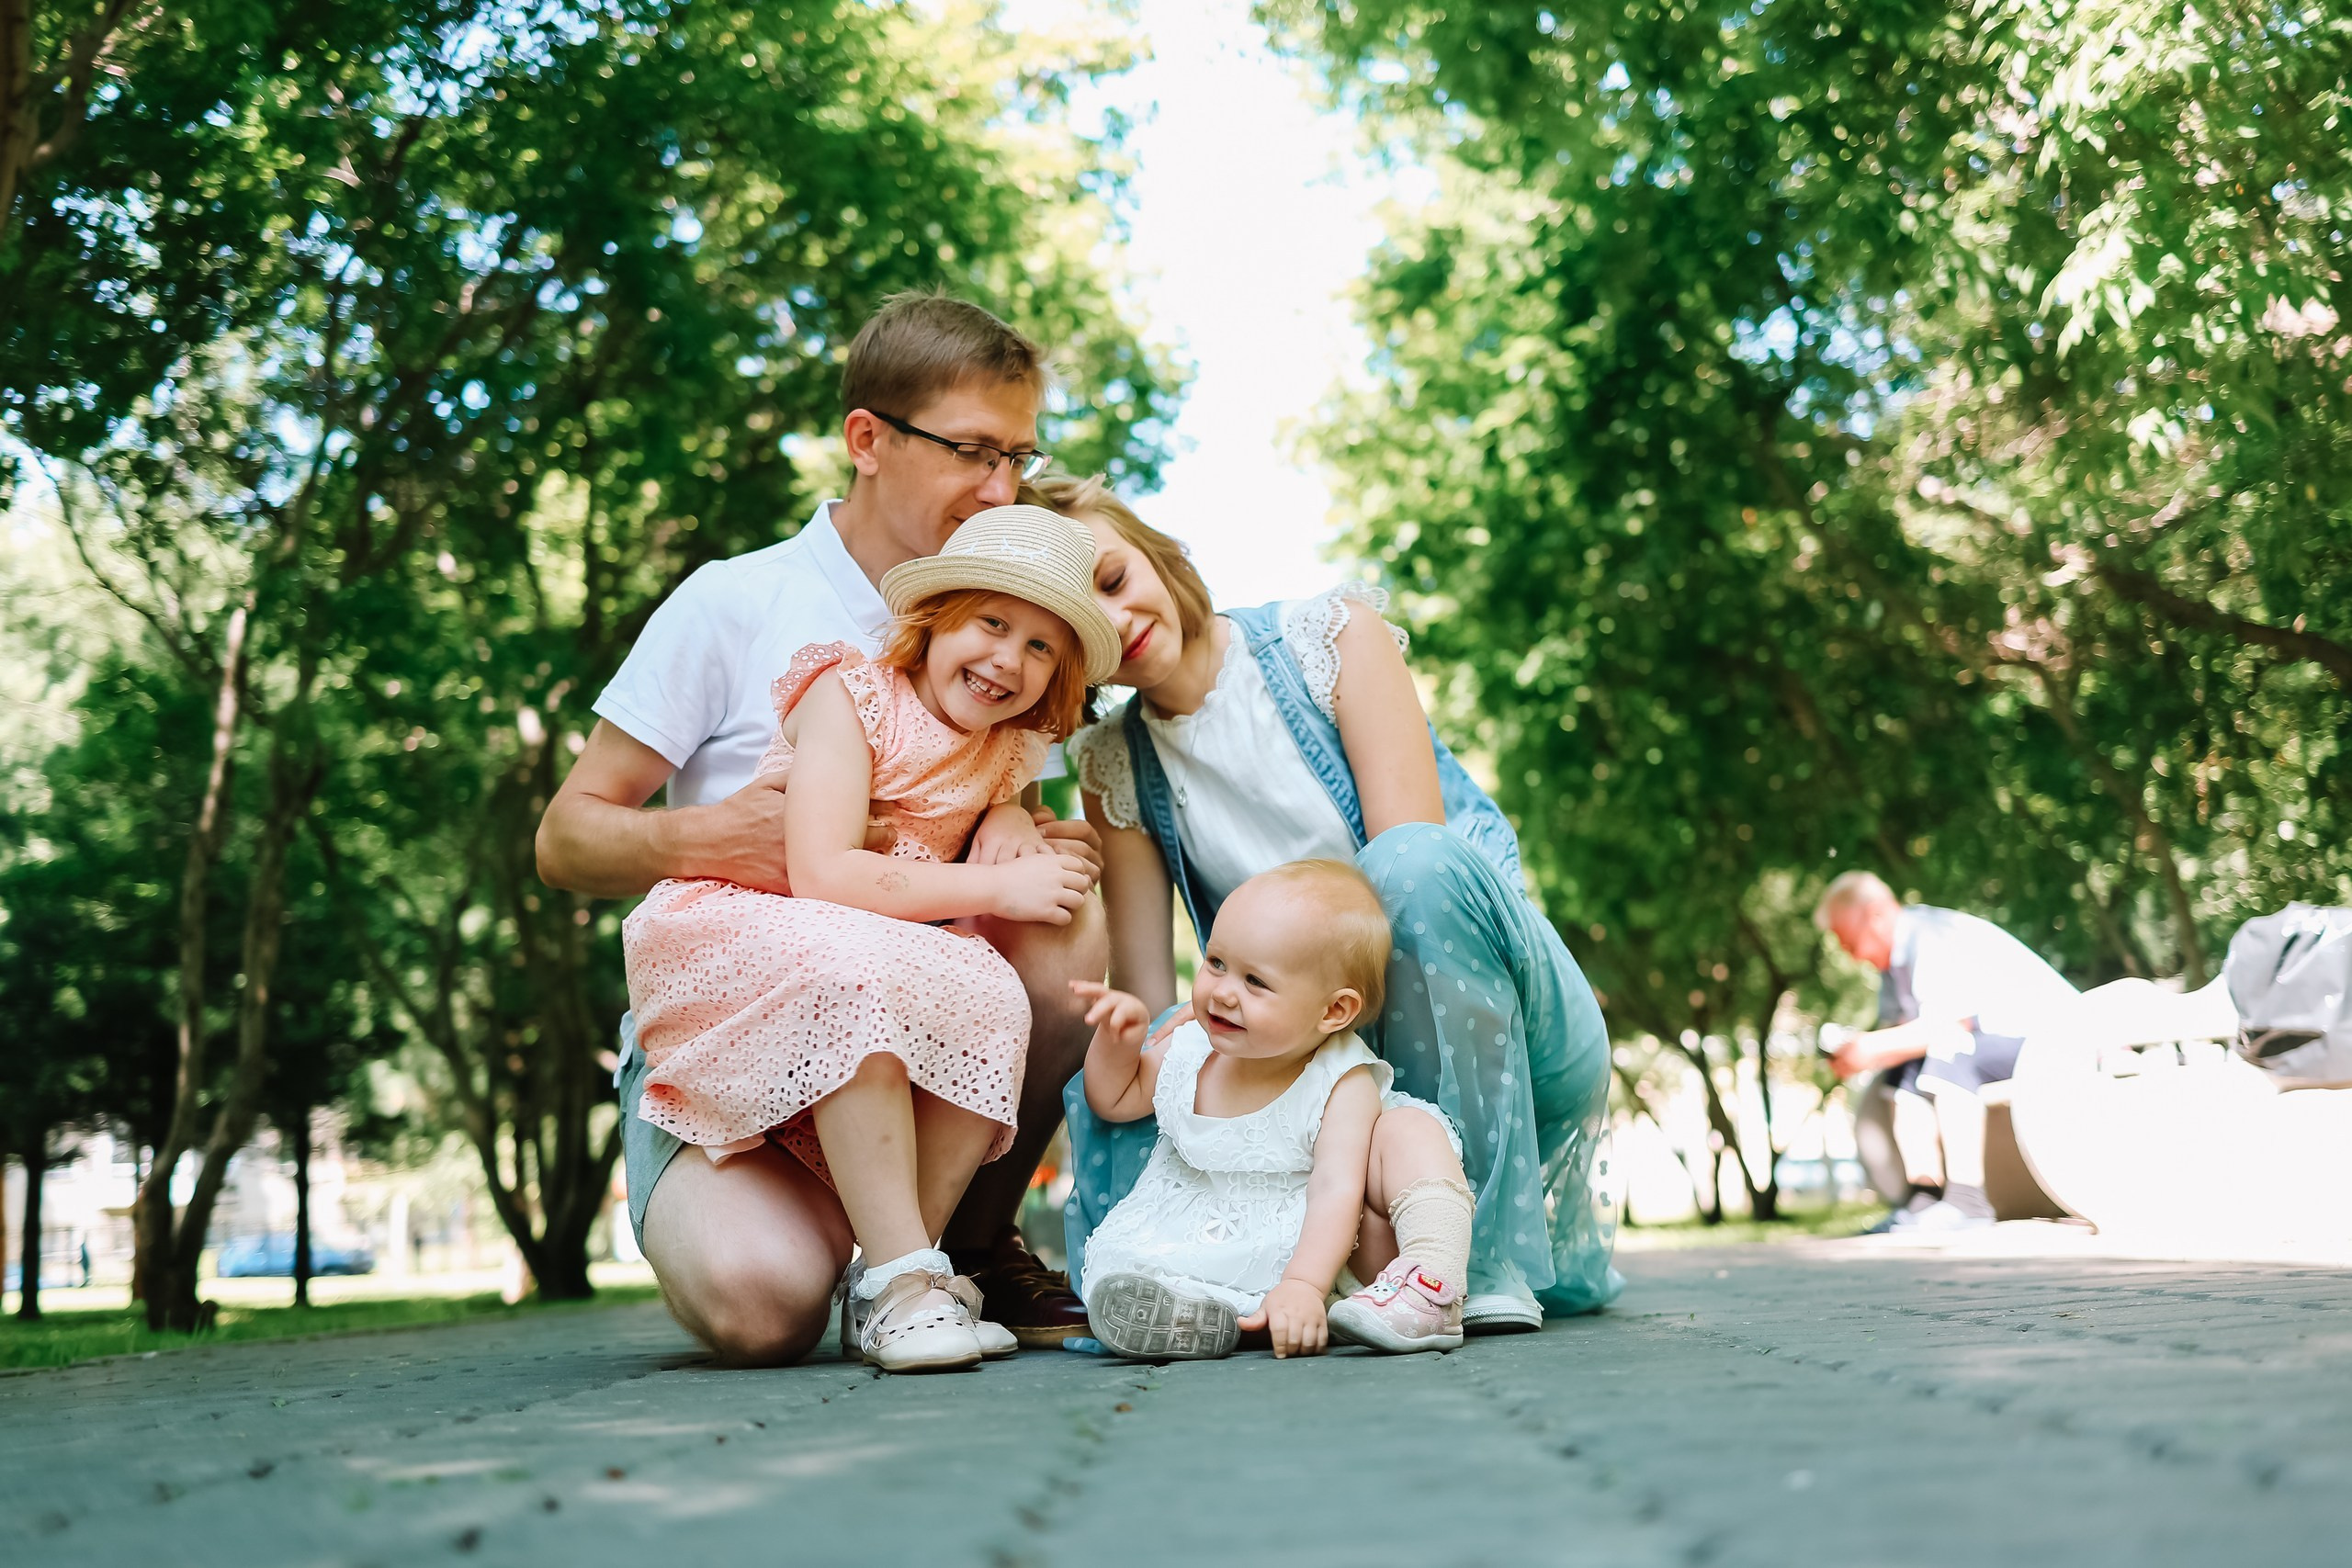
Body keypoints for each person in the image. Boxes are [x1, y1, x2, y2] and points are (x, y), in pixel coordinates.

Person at [536, 294, 1104, 1364]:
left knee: (1069, 932)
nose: (1001, 487)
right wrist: (706, 841)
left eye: (1019, 458)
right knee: (762, 1309)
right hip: (746, 1017)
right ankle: (840, 1244)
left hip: (924, 1025)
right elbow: (565, 838)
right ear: (867, 441)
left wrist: (1026, 835)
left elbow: (1009, 809)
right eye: (974, 452)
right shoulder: (735, 602)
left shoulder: (1004, 638)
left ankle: (949, 1250)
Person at [1033, 474, 1622, 1330]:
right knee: (1138, 1050)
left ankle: (1465, 1257)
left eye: (1115, 581)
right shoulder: (1117, 765)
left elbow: (1418, 909)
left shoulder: (1330, 640)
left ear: (1157, 553)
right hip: (1326, 1081)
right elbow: (1156, 999)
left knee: (1410, 865)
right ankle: (1195, 1280)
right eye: (1081, 627)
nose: (1115, 622)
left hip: (1493, 1035)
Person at [621, 506, 1119, 1371]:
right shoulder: (848, 696)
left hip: (882, 952)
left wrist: (1014, 820)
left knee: (990, 990)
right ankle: (899, 1279)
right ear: (932, 618)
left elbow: (1001, 814)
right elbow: (824, 875)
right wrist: (999, 881)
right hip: (768, 940)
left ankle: (900, 1279)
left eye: (1042, 647)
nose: (1009, 658)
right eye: (992, 622)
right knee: (858, 978)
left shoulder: (1005, 750)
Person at [1075, 860, 1479, 1360]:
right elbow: (1113, 1099)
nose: (1222, 992)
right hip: (1210, 1230)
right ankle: (1212, 1320)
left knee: (1411, 1131)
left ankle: (1427, 1286)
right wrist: (1118, 1041)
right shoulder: (1191, 1045)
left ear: (1333, 1011)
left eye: (1255, 982)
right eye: (1216, 963)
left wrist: (1306, 1285)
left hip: (1327, 1246)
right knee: (1145, 1271)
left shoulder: (1341, 1077)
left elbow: (1337, 1188)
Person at [1815, 871, 2079, 1232]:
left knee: (1950, 1052)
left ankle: (1968, 1202)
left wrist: (1871, 1047)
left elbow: (1951, 1025)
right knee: (1904, 1071)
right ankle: (1923, 1199)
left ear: (1875, 914)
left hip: (2059, 1039)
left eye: (1849, 941)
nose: (1850, 953)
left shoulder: (1930, 935)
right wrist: (1861, 1053)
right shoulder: (1893, 968)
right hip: (1999, 1046)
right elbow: (1901, 1039)